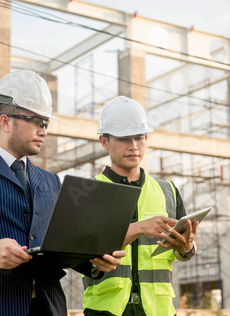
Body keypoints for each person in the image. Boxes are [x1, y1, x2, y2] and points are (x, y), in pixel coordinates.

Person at [0, 70, 125, 316]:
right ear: (5, 121)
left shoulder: (51, 181)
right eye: (37, 122)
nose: (44, 131)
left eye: (46, 124)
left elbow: (58, 245)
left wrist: (94, 262)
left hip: (49, 308)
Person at [82, 96, 199, 316]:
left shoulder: (169, 191)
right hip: (105, 310)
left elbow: (185, 253)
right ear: (104, 141)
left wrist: (187, 248)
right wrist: (139, 228)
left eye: (139, 137)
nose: (133, 146)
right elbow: (81, 254)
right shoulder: (90, 192)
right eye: (124, 139)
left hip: (159, 309)